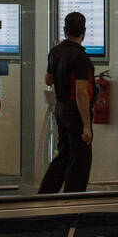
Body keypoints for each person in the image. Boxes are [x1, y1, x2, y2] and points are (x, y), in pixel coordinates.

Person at [39, 11, 94, 194]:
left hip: (61, 108)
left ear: (65, 30)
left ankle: (45, 195)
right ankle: (73, 201)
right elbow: (81, 94)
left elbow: (48, 80)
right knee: (80, 161)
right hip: (75, 111)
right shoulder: (81, 57)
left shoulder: (56, 51)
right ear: (84, 31)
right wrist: (86, 126)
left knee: (64, 154)